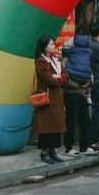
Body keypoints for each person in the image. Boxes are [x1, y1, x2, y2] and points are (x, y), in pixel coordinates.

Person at [33, 36, 67, 164]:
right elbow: (49, 80)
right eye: (51, 44)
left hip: (56, 97)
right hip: (46, 98)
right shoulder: (41, 61)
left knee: (55, 125)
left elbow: (65, 75)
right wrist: (59, 79)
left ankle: (52, 150)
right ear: (44, 47)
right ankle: (44, 151)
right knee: (46, 126)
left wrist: (59, 77)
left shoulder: (55, 60)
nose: (54, 46)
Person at [61, 34, 94, 156]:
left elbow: (90, 74)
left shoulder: (69, 55)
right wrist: (79, 85)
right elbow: (63, 76)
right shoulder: (86, 55)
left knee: (84, 120)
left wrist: (88, 83)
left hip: (81, 94)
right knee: (71, 120)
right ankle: (68, 147)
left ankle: (83, 146)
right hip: (71, 93)